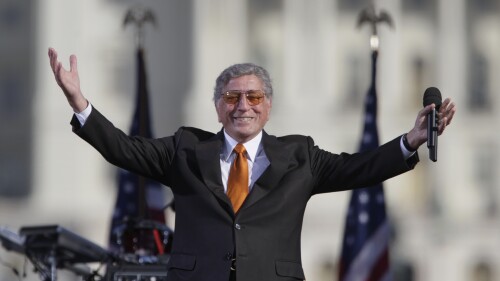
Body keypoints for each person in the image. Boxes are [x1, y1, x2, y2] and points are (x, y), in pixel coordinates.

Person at [48, 47, 456, 281]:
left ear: (268, 106)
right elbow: (123, 149)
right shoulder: (185, 149)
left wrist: (410, 140)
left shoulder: (300, 155)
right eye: (232, 97)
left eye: (254, 97)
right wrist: (79, 104)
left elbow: (359, 167)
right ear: (217, 106)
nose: (243, 105)